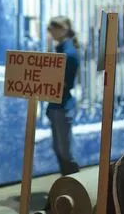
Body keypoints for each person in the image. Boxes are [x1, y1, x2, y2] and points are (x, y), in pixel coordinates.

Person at [46, 16, 80, 176]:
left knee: (65, 152)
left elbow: (67, 84)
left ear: (64, 29)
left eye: (53, 28)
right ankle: (67, 186)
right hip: (55, 106)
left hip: (62, 106)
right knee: (58, 149)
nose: (50, 31)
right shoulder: (60, 50)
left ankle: (76, 186)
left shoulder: (69, 53)